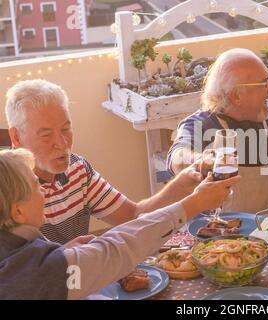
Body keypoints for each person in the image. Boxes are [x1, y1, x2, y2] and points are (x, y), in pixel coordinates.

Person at [0, 148, 239, 299]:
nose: (43, 190)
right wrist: (192, 205)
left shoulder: (16, 250)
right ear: (18, 211)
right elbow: (118, 249)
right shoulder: (37, 270)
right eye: (35, 185)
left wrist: (63, 255)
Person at [4, 79, 205, 244]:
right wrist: (63, 256)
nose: (62, 143)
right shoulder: (7, 189)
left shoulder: (78, 169)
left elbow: (132, 216)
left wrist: (182, 183)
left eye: (66, 129)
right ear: (16, 137)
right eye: (46, 135)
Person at [167, 48, 268, 213]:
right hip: (224, 234)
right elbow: (178, 157)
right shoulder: (200, 124)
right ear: (236, 95)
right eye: (265, 82)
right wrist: (202, 160)